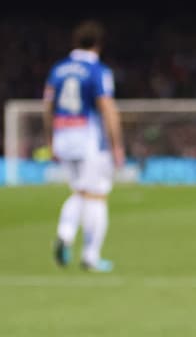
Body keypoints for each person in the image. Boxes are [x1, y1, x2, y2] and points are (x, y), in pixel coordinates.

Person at [43, 20, 124, 273]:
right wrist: (117, 144)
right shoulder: (98, 70)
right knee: (96, 195)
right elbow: (107, 107)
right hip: (88, 137)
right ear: (98, 44)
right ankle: (91, 256)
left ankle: (65, 233)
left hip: (63, 134)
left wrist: (50, 140)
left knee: (79, 191)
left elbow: (47, 107)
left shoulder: (58, 69)